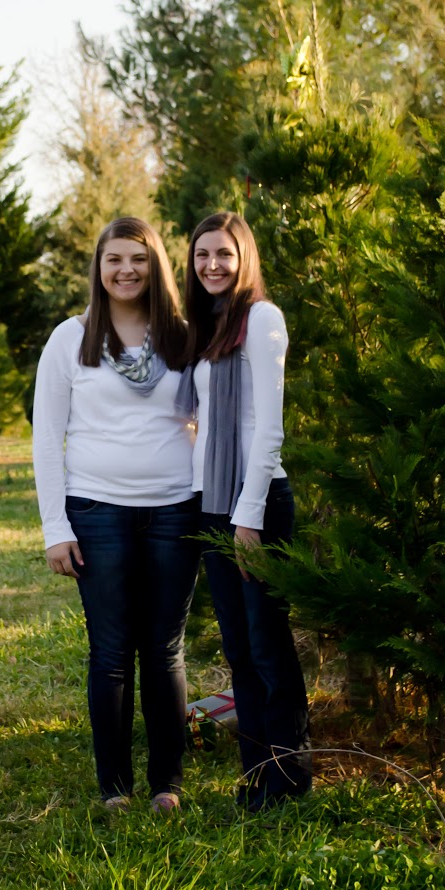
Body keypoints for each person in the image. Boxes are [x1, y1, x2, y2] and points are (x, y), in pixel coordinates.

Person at [32, 217, 200, 812]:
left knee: (164, 650)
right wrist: (56, 528)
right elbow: (46, 437)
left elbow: (206, 421)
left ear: (156, 266)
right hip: (97, 511)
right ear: (99, 268)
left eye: (138, 259)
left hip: (175, 511)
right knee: (109, 653)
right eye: (114, 260)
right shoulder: (71, 339)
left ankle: (167, 783)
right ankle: (115, 788)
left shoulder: (183, 336)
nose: (126, 270)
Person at [181, 210, 311, 809]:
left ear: (244, 259)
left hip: (255, 503)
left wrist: (249, 515)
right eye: (202, 254)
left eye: (223, 254)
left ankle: (289, 778)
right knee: (238, 647)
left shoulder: (261, 319)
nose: (212, 264)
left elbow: (269, 429)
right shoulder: (210, 327)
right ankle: (256, 774)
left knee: (268, 646)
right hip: (214, 503)